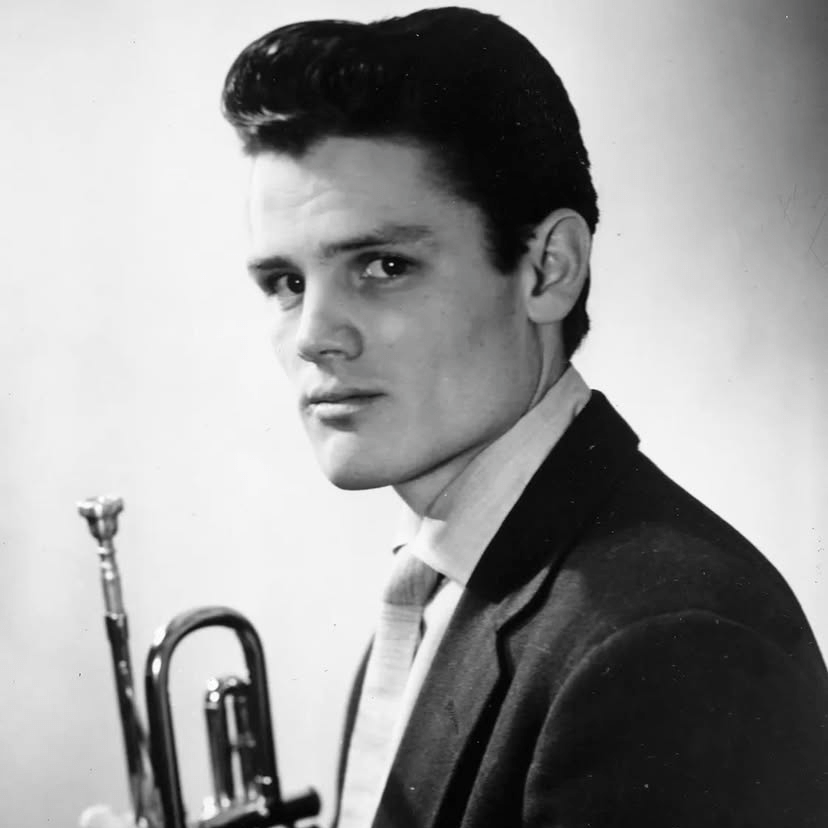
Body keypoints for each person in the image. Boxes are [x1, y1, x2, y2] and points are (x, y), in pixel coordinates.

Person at [82, 7, 828, 828]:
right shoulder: (443, 583)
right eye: (286, 284)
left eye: (383, 265)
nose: (314, 336)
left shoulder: (668, 645)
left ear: (550, 270)